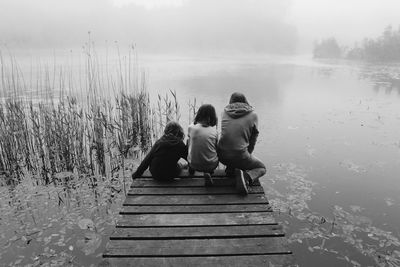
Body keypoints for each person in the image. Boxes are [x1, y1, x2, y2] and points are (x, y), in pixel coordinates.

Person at [217, 92, 266, 194]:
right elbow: (253, 139)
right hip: (239, 155)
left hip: (221, 155)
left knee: (233, 146)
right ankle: (247, 177)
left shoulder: (224, 113)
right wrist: (247, 155)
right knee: (262, 168)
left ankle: (231, 168)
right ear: (245, 101)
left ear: (230, 101)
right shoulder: (253, 115)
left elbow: (227, 135)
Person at [187, 104, 219, 186]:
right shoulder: (214, 131)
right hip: (211, 165)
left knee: (189, 141)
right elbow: (216, 148)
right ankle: (209, 172)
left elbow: (189, 143)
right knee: (214, 146)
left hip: (193, 164)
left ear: (199, 115)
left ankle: (191, 169)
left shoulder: (191, 127)